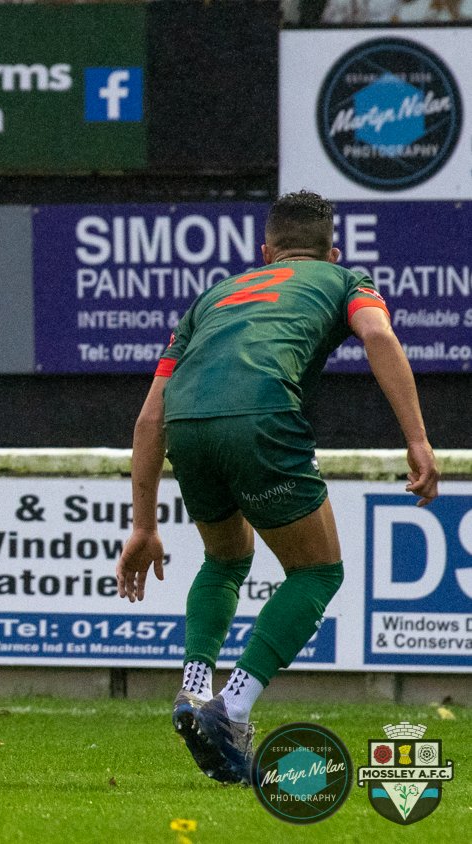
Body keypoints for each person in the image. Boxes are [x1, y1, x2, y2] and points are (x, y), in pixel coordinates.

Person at [117, 190, 439, 784]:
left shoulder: (213, 297)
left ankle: (194, 688)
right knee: (318, 572)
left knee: (225, 558)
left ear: (265, 253)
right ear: (332, 251)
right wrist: (417, 439)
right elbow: (378, 336)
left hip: (186, 424)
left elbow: (148, 418)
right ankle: (232, 706)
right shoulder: (345, 280)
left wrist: (143, 526)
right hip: (261, 416)